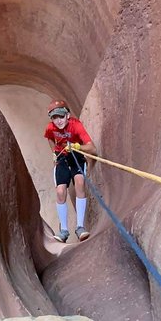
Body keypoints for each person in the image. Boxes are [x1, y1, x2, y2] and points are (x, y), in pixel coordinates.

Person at [43, 99, 97, 243]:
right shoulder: (50, 128)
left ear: (67, 115)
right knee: (60, 191)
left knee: (79, 183)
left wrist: (77, 147)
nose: (58, 120)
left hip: (76, 156)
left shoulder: (76, 125)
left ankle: (80, 227)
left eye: (61, 116)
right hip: (62, 158)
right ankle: (64, 231)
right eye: (55, 117)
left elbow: (92, 148)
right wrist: (54, 153)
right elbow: (49, 138)